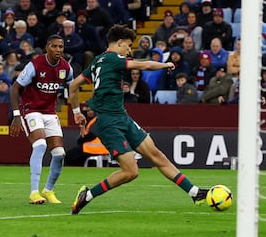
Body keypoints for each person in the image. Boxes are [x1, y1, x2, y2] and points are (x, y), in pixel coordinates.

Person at [68, 24, 209, 214]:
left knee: (156, 155)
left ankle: (194, 192)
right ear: (119, 43)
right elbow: (145, 64)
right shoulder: (113, 58)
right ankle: (88, 194)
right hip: (108, 122)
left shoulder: (97, 61)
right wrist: (165, 64)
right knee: (131, 171)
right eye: (127, 46)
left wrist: (77, 111)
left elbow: (74, 85)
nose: (129, 50)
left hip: (122, 117)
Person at [9, 34, 74, 204]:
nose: (58, 50)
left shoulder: (66, 68)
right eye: (54, 46)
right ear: (47, 47)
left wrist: (76, 110)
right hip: (30, 110)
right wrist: (16, 115)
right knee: (40, 145)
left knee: (59, 154)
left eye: (61, 47)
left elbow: (72, 88)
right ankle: (34, 192)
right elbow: (15, 88)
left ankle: (48, 190)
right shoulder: (35, 65)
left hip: (50, 112)